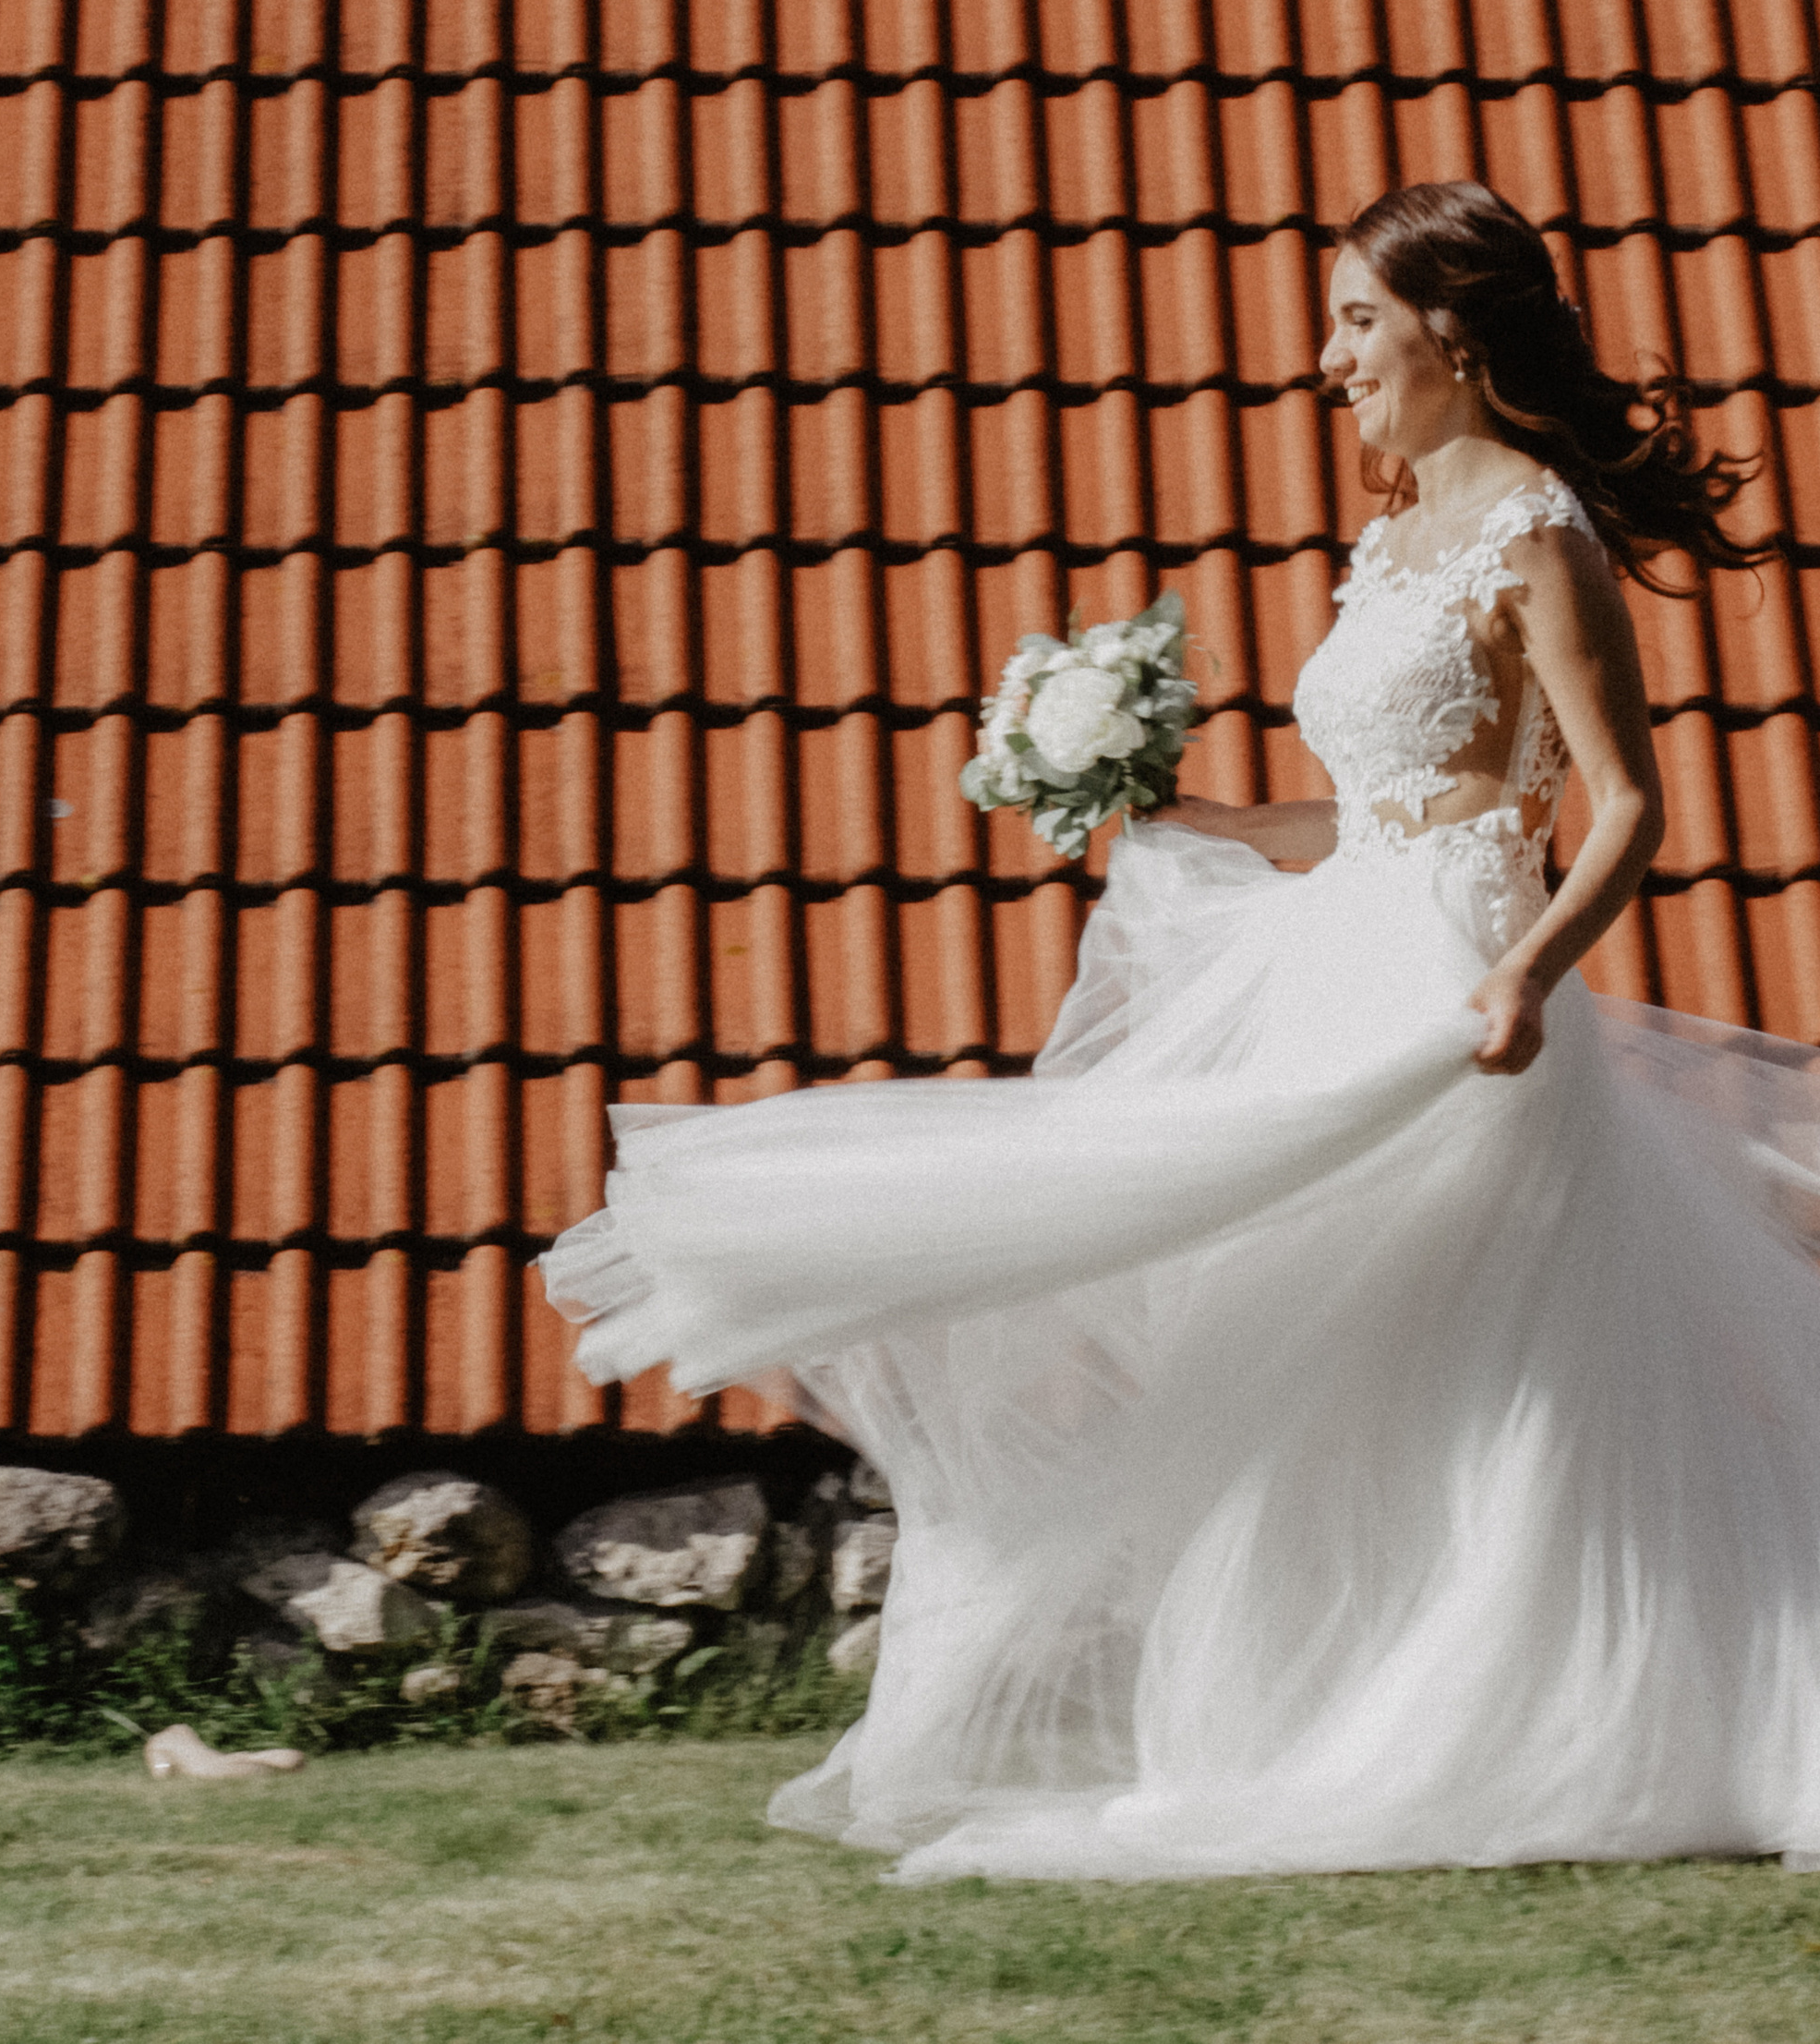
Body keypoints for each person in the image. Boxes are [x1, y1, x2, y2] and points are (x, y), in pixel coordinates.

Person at [541, 181, 1820, 1881]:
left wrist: (1527, 977)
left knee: (1480, 1372)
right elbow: (1365, 816)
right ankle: (1324, 1718)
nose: (1328, 359)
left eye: (1357, 322)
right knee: (1302, 1351)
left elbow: (1623, 811)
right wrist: (1186, 814)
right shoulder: (1396, 537)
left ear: (1453, 331)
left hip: (1460, 992)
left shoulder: (1537, 534)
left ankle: (1530, 1723)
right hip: (1342, 949)